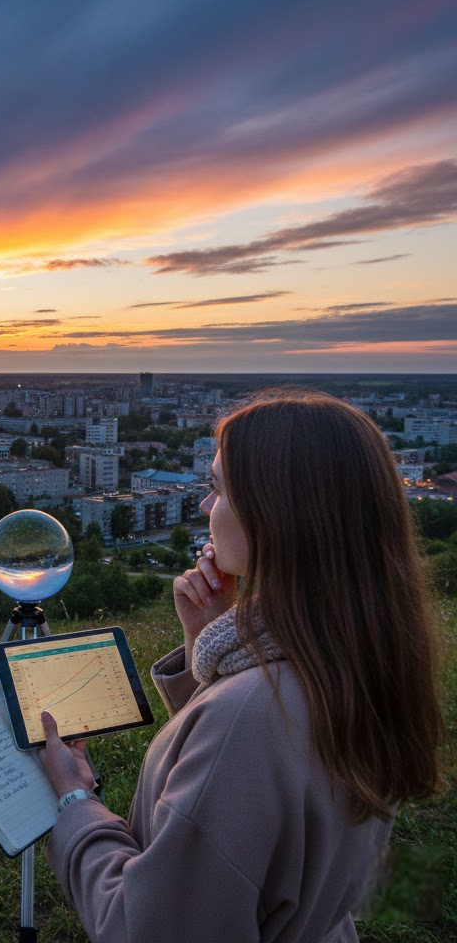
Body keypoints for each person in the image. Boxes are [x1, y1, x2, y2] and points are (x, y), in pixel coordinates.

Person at [38, 389, 446, 942]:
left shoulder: (250, 717)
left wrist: (75, 803)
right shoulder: (356, 663)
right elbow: (259, 815)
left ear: (276, 515)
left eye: (217, 488)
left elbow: (140, 928)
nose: (206, 508)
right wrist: (208, 642)